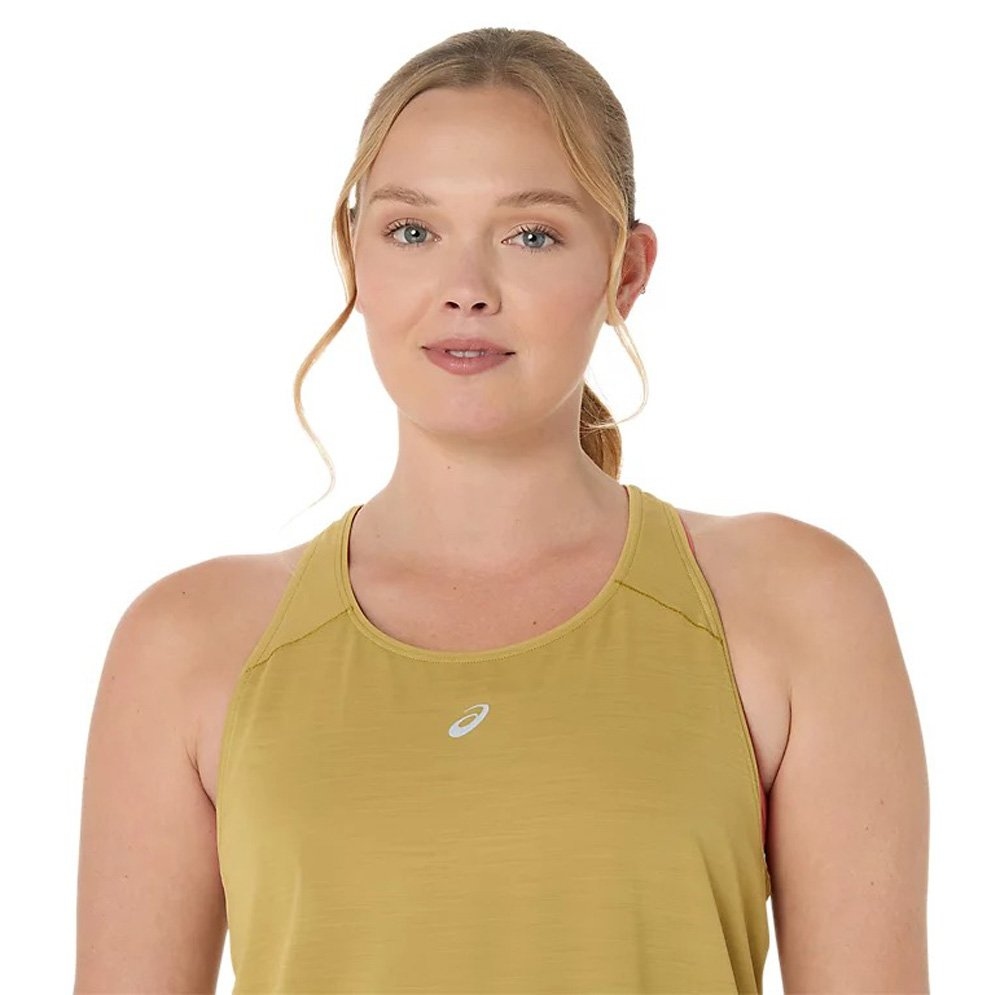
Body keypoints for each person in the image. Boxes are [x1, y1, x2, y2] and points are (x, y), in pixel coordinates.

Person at [74, 26, 930, 995]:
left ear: (626, 271)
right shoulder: (188, 641)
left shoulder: (795, 606)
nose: (466, 291)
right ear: (355, 258)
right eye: (412, 231)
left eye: (532, 235)